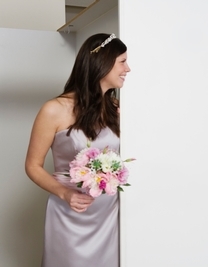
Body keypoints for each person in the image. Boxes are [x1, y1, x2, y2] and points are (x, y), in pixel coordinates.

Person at [25, 33, 130, 267]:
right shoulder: (54, 109)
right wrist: (65, 194)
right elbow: (33, 166)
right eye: (122, 61)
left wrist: (129, 124)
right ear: (102, 63)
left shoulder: (116, 109)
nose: (128, 69)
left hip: (109, 215)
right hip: (70, 213)